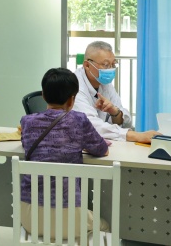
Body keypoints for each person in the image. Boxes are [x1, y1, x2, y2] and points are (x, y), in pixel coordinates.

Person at [20, 67, 110, 240]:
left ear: (43, 95)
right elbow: (102, 150)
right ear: (72, 99)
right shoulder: (79, 120)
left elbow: (27, 144)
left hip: (31, 219)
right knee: (104, 224)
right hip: (70, 220)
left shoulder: (27, 122)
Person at [73, 41, 160, 142]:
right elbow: (91, 125)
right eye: (106, 65)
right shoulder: (75, 86)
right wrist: (136, 136)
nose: (110, 69)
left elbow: (125, 121)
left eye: (113, 64)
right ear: (87, 65)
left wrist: (115, 113)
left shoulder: (104, 83)